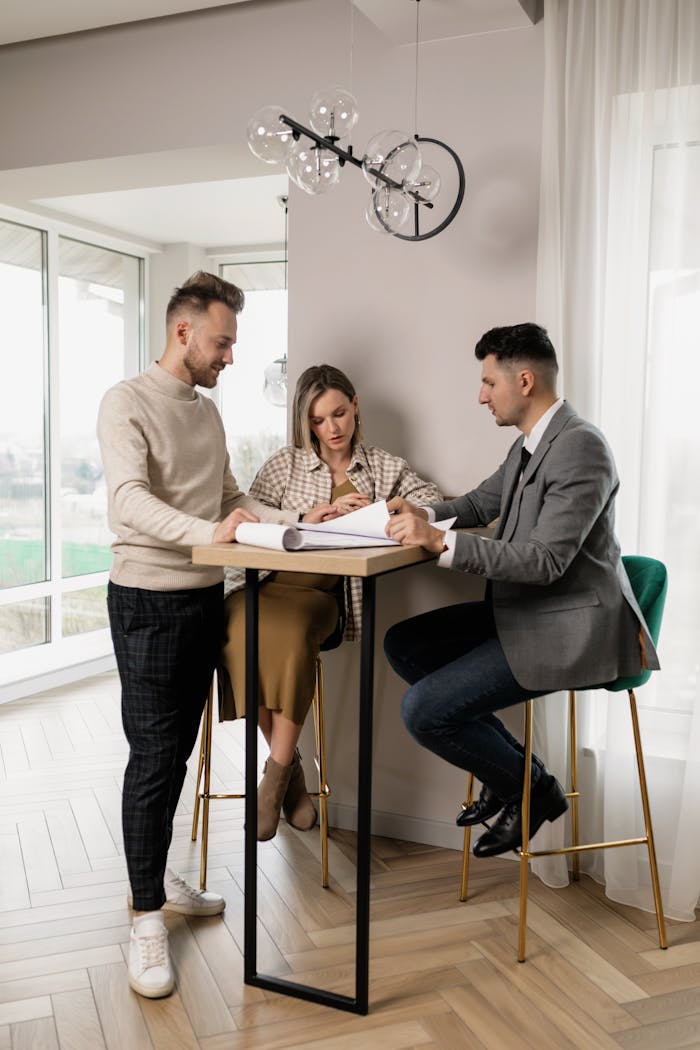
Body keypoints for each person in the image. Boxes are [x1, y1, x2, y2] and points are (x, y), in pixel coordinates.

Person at [383, 323, 659, 859]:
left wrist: (440, 542)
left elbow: (547, 561)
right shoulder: (531, 445)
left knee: (423, 711)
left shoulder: (581, 448)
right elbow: (481, 503)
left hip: (568, 628)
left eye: (489, 383)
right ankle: (525, 779)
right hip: (527, 611)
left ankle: (523, 788)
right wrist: (422, 513)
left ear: (524, 381)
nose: (480, 395)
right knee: (404, 645)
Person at [97, 272, 299, 1000]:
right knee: (154, 758)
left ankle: (153, 872)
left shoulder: (206, 414)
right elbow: (130, 504)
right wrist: (211, 537)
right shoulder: (126, 402)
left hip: (206, 598)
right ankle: (146, 916)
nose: (231, 356)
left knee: (179, 755)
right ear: (184, 332)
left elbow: (227, 497)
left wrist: (288, 525)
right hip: (148, 601)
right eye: (223, 341)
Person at [220, 363, 441, 841]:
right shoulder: (285, 464)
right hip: (265, 584)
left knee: (294, 635)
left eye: (339, 414)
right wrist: (304, 517)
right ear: (306, 423)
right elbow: (248, 519)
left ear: (355, 405)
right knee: (236, 632)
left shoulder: (382, 466)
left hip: (322, 598)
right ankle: (289, 776)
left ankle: (272, 781)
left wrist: (388, 509)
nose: (332, 428)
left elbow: (430, 499)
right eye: (318, 421)